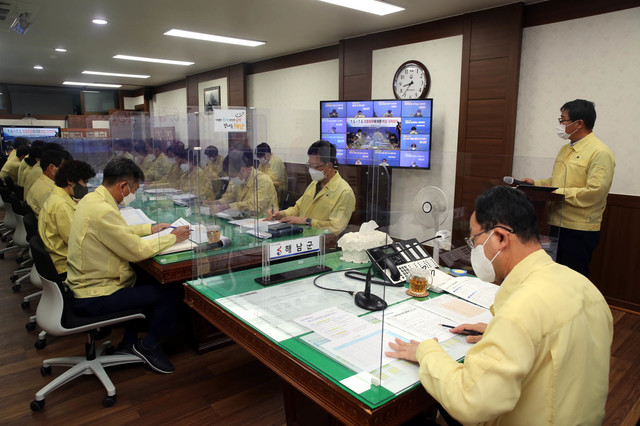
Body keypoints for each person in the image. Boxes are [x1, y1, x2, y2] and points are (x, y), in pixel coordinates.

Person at [386, 185, 612, 425]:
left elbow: (470, 402)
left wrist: (426, 351)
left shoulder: (519, 312)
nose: (474, 250)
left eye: (475, 241)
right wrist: (499, 332)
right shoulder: (586, 288)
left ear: (501, 237)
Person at [65, 158, 191, 374]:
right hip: (95, 295)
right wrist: (172, 237)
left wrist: (150, 229)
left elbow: (118, 232)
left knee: (143, 279)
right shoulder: (103, 211)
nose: (133, 195)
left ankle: (129, 341)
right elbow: (136, 251)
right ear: (123, 186)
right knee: (170, 290)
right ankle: (149, 345)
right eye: (133, 190)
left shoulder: (91, 201)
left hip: (86, 284)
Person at [521, 99, 615, 277]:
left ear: (579, 123)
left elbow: (595, 191)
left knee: (573, 277)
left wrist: (558, 193)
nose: (560, 124)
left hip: (578, 228)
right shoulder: (565, 149)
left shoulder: (600, 152)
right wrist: (536, 184)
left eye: (563, 120)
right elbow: (559, 180)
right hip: (555, 221)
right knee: (554, 276)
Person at [267, 140, 355, 235]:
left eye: (315, 166)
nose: (311, 169)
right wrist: (281, 214)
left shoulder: (344, 192)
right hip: (302, 237)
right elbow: (297, 209)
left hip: (322, 243)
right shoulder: (315, 183)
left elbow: (335, 228)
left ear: (329, 166)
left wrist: (307, 221)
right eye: (309, 165)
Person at [38, 160, 96, 278]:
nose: (86, 187)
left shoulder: (58, 198)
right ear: (70, 180)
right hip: (66, 267)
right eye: (84, 182)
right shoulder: (61, 206)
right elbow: (78, 243)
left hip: (61, 258)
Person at [208, 150, 278, 216]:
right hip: (243, 219)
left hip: (263, 221)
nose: (231, 179)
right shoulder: (240, 179)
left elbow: (254, 205)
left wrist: (226, 207)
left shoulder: (263, 180)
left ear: (243, 170)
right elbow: (232, 196)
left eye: (232, 176)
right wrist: (218, 202)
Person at [26, 149, 71, 217]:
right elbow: (59, 217)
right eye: (64, 167)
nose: (67, 171)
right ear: (51, 168)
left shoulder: (42, 182)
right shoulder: (47, 192)